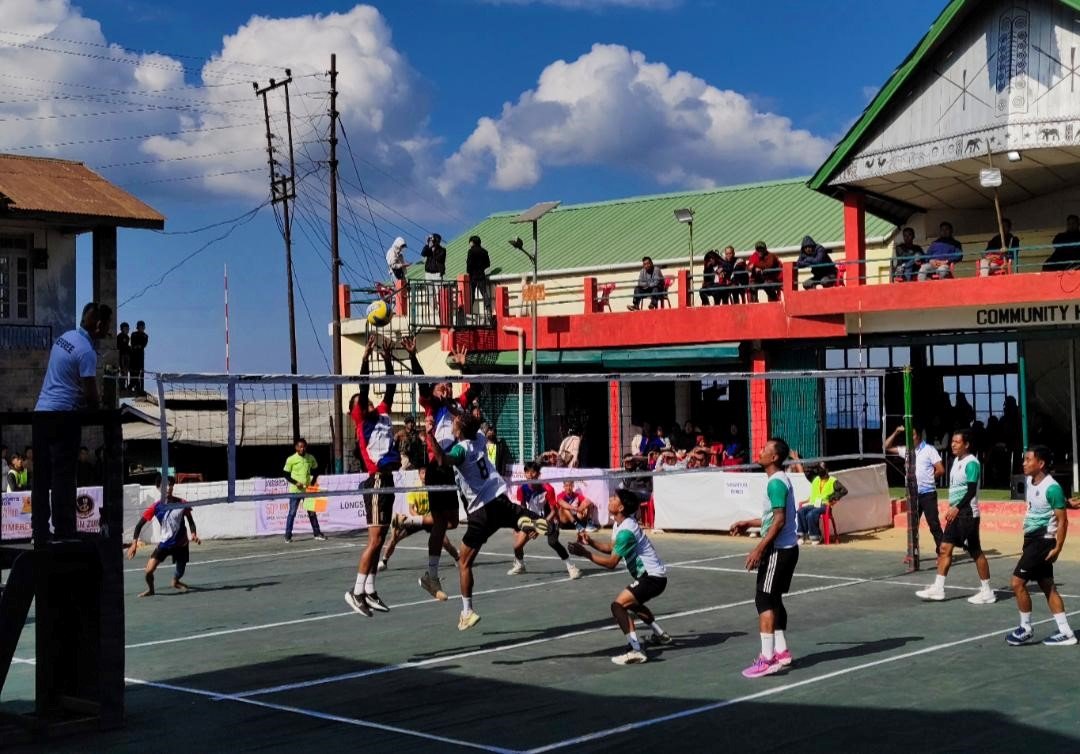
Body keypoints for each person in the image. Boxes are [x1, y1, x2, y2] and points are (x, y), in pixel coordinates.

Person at [427, 411, 547, 630]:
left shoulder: (460, 449)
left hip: (480, 512)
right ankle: (529, 522)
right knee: (524, 517)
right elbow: (472, 424)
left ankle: (467, 612)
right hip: (499, 499)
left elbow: (442, 460)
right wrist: (458, 410)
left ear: (459, 430)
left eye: (454, 422)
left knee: (464, 562)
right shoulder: (480, 439)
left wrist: (430, 435)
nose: (452, 423)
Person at [34, 301, 111, 541]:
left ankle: (39, 531)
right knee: (64, 476)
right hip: (64, 416)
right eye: (106, 327)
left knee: (41, 477)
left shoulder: (64, 337)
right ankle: (64, 530)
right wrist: (99, 407)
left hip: (41, 413)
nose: (106, 332)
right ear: (98, 325)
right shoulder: (86, 351)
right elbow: (91, 396)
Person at [568, 489, 672, 665]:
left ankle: (635, 650)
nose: (610, 499)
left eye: (614, 498)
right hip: (652, 577)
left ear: (621, 507)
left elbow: (611, 563)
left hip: (652, 578)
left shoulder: (626, 531)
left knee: (618, 606)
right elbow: (611, 548)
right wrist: (590, 542)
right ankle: (660, 635)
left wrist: (585, 554)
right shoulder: (620, 524)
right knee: (632, 604)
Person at [409, 338, 478, 602]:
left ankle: (414, 522)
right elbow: (422, 384)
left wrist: (464, 367)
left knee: (451, 522)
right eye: (441, 386)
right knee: (441, 523)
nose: (445, 388)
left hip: (453, 468)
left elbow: (476, 389)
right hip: (437, 466)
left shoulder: (457, 405)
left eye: (448, 385)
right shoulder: (433, 406)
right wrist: (414, 356)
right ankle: (432, 575)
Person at [730, 437, 800, 678]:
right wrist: (748, 523)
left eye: (765, 449)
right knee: (774, 598)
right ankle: (781, 652)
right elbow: (772, 518)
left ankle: (767, 659)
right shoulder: (778, 480)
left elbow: (779, 521)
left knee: (764, 599)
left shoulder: (776, 483)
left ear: (774, 457)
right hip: (786, 549)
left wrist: (759, 549)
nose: (759, 451)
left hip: (778, 551)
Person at [344, 335, 400, 617]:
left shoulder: (382, 413)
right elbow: (363, 387)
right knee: (375, 540)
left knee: (380, 537)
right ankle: (356, 592)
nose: (365, 403)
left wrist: (388, 360)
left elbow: (390, 387)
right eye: (360, 402)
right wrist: (366, 357)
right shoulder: (363, 420)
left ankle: (370, 590)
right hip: (376, 479)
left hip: (389, 480)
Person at [1005, 446, 1076, 646]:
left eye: (1028, 460)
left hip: (1042, 542)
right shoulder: (1030, 481)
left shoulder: (1052, 487)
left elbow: (1063, 521)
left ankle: (1026, 628)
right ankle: (1066, 632)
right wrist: (1066, 502)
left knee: (1017, 583)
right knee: (1047, 586)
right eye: (1024, 459)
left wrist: (1058, 547)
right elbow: (1048, 503)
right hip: (1032, 540)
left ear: (1041, 463)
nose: (1024, 463)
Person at [915, 429, 996, 604]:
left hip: (967, 514)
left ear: (966, 444)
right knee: (952, 549)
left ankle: (986, 591)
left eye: (957, 442)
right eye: (952, 441)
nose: (953, 444)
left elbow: (971, 490)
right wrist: (953, 507)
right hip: (958, 513)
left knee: (966, 550)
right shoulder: (956, 462)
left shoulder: (971, 463)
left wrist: (957, 508)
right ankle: (940, 588)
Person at [126, 475, 200, 597]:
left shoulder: (182, 503)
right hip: (165, 544)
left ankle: (175, 581)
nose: (168, 488)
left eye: (170, 485)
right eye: (165, 485)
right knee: (148, 571)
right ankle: (151, 590)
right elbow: (139, 525)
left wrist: (193, 534)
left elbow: (190, 521)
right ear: (158, 488)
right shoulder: (156, 507)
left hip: (181, 543)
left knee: (180, 571)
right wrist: (134, 544)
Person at [508, 462, 582, 579]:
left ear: (538, 474)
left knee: (553, 542)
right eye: (527, 472)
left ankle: (572, 567)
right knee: (517, 545)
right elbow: (523, 508)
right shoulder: (522, 488)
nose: (530, 475)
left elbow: (554, 511)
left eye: (533, 472)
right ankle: (520, 565)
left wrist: (539, 526)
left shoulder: (547, 488)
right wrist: (519, 525)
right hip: (532, 519)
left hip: (550, 519)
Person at [381, 466, 459, 572]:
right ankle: (384, 561)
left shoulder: (434, 489)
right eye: (423, 473)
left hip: (431, 520)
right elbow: (411, 509)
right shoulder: (414, 489)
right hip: (417, 518)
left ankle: (458, 558)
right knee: (395, 537)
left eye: (427, 473)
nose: (425, 475)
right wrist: (419, 519)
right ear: (419, 475)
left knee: (445, 542)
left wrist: (430, 519)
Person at [885, 424, 946, 554]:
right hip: (913, 494)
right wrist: (896, 432)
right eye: (908, 435)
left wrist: (929, 479)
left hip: (928, 493)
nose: (910, 438)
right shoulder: (907, 450)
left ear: (918, 436)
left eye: (912, 435)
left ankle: (942, 551)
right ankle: (913, 551)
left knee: (933, 524)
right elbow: (886, 447)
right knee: (913, 525)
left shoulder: (929, 450)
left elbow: (940, 469)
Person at [282, 437, 326, 543]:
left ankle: (317, 533)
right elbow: (286, 474)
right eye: (300, 447)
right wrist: (295, 482)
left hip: (307, 490)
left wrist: (313, 481)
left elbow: (317, 469)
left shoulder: (310, 458)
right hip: (295, 490)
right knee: (292, 513)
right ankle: (288, 535)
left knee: (312, 512)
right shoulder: (291, 459)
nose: (302, 449)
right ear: (296, 447)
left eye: (304, 447)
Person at [795, 463, 848, 544]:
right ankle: (802, 536)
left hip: (824, 505)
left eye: (821, 469)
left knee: (811, 514)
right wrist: (816, 465)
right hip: (813, 504)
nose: (820, 471)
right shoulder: (815, 479)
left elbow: (843, 491)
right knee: (800, 511)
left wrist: (832, 499)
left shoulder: (832, 481)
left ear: (827, 470)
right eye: (818, 469)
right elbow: (806, 470)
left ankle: (816, 536)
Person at [466, 235, 491, 314]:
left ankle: (469, 309)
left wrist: (469, 271)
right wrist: (481, 268)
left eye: (470, 242)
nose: (469, 243)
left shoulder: (471, 251)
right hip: (481, 274)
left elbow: (469, 264)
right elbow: (488, 264)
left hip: (473, 275)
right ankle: (488, 307)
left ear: (473, 242)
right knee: (484, 292)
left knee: (471, 293)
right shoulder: (484, 251)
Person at [130, 320, 148, 393]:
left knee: (140, 371)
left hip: (140, 355)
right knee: (133, 371)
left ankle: (140, 387)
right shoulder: (134, 334)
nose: (141, 328)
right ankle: (132, 385)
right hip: (133, 354)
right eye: (140, 326)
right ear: (138, 327)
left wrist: (138, 346)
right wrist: (137, 346)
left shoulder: (145, 336)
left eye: (142, 327)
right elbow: (133, 343)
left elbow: (143, 345)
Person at [117, 322, 131, 392]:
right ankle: (121, 386)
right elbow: (120, 346)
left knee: (126, 371)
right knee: (122, 370)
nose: (127, 330)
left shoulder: (127, 337)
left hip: (126, 355)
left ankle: (123, 386)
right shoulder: (120, 336)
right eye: (126, 328)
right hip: (121, 355)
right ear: (122, 329)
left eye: (128, 329)